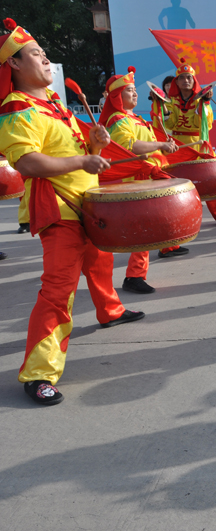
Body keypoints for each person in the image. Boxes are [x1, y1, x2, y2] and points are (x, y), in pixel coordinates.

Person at [0, 19, 144, 406]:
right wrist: (84, 159)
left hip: (86, 204)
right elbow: (28, 163)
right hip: (59, 209)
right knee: (58, 291)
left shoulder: (55, 107)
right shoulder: (16, 108)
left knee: (99, 266)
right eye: (37, 55)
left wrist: (95, 142)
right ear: (13, 65)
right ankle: (38, 373)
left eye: (46, 56)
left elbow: (82, 154)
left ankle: (109, 310)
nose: (47, 62)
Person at [99, 66, 180, 294]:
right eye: (130, 90)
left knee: (150, 226)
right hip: (136, 180)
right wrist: (160, 145)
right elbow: (129, 147)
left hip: (150, 177)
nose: (135, 94)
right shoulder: (118, 120)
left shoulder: (136, 118)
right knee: (143, 228)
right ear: (117, 96)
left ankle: (143, 267)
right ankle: (134, 276)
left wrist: (165, 148)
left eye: (135, 90)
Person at [165, 59, 216, 230]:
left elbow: (207, 124)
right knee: (177, 182)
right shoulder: (171, 103)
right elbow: (170, 125)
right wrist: (163, 110)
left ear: (194, 80)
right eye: (182, 78)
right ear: (177, 82)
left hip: (200, 143)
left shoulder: (202, 100)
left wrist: (205, 104)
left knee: (211, 180)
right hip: (179, 145)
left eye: (189, 77)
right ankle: (181, 216)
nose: (186, 81)